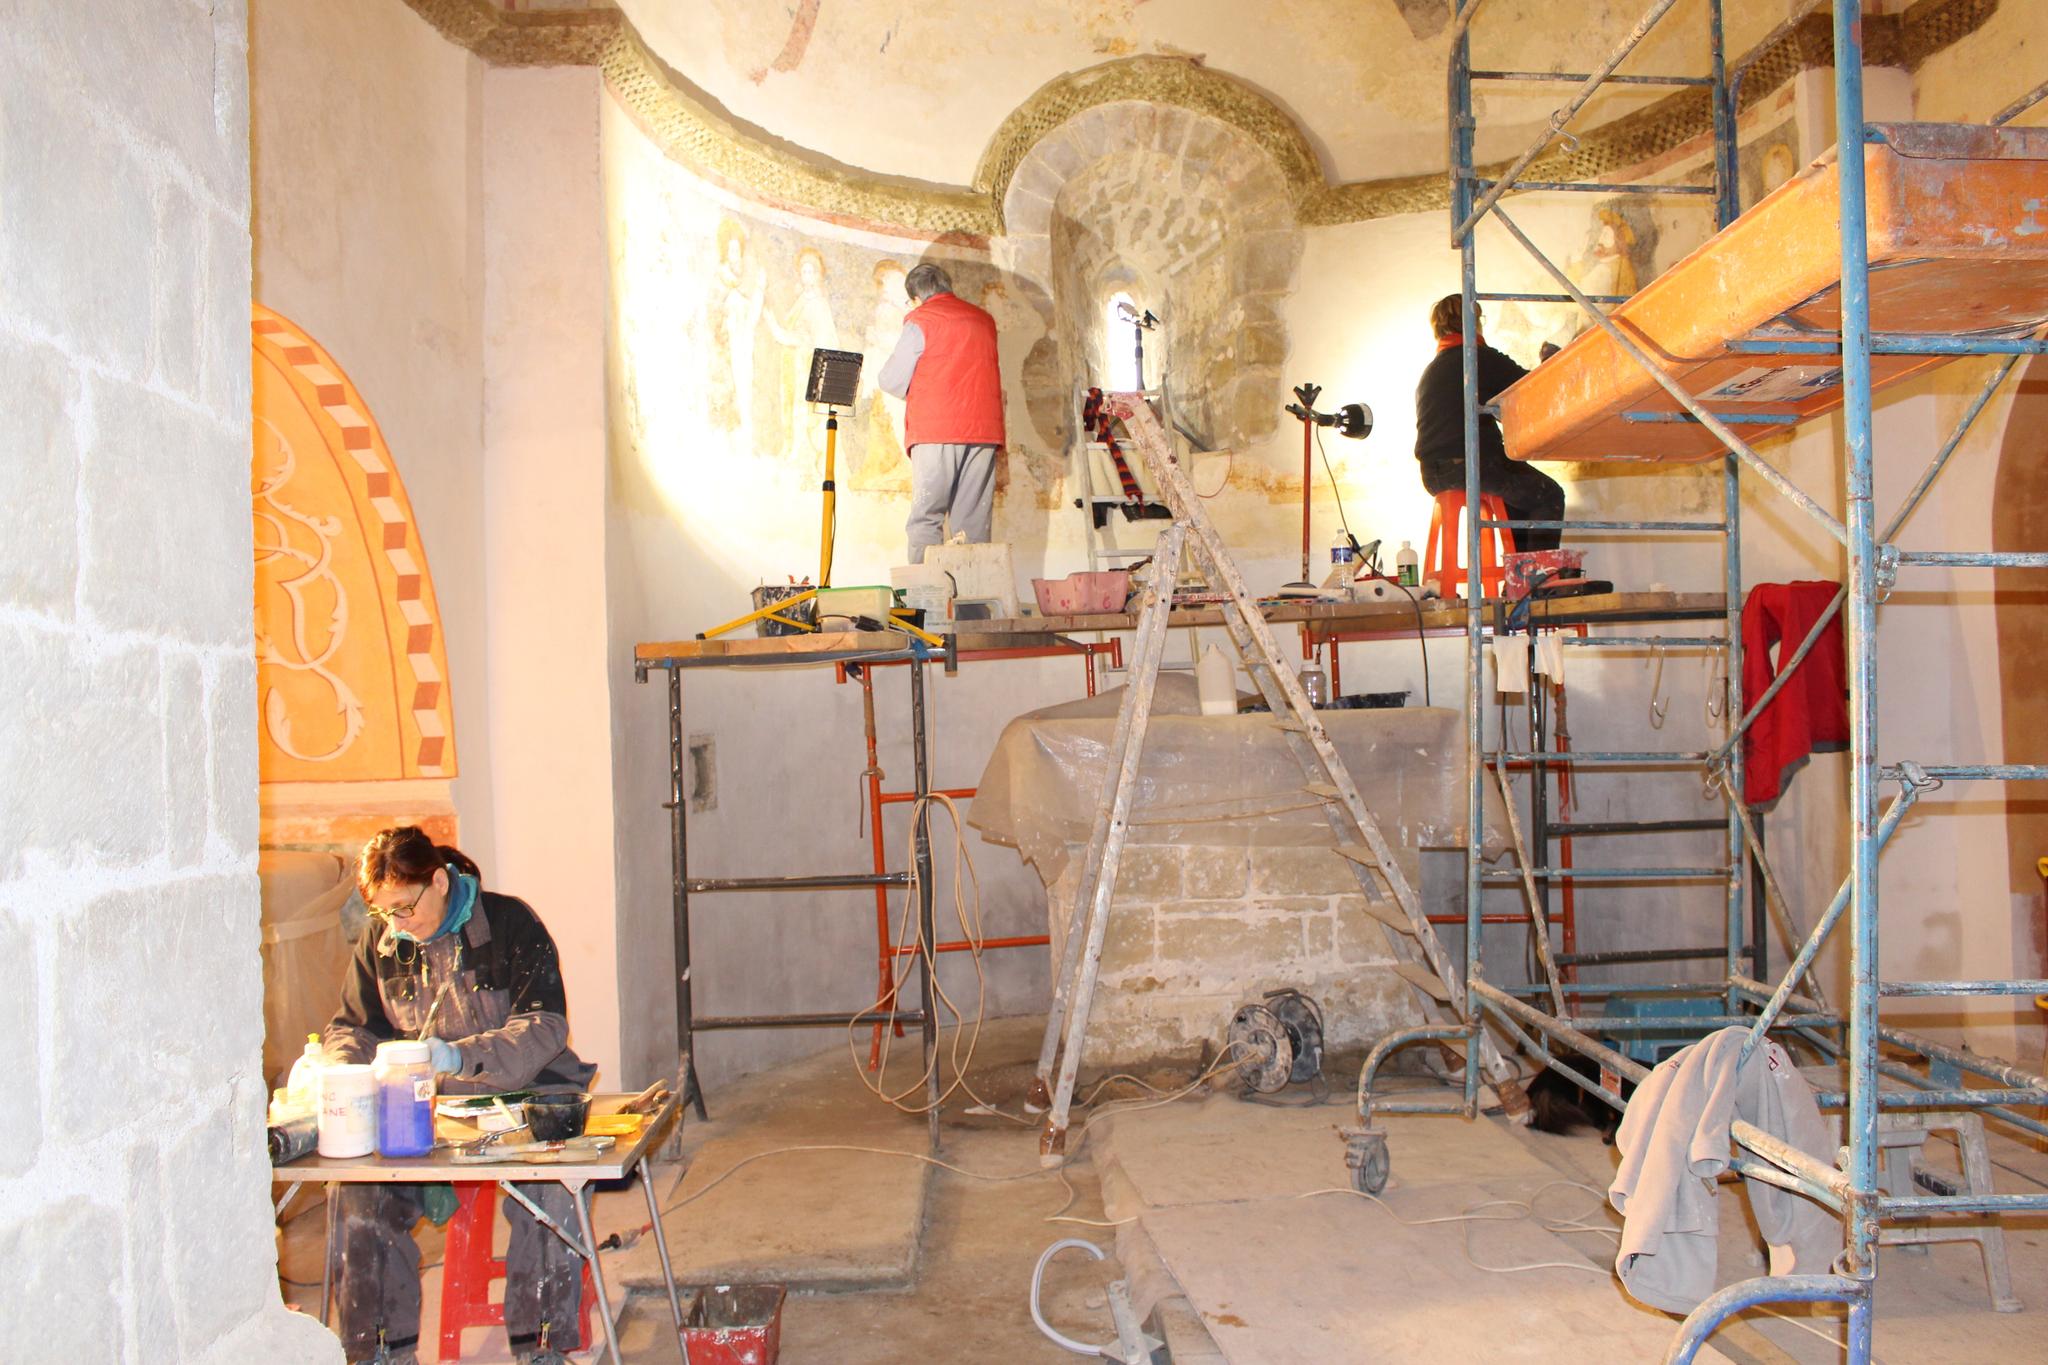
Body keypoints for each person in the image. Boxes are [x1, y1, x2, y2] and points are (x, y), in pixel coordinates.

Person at [324, 827, 596, 1365]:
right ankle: (382, 1353)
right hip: (427, 1107)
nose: (397, 924)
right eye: (384, 914)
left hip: (524, 1096)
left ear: (440, 881)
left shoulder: (509, 923)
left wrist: (457, 1055)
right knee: (359, 1193)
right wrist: (340, 1068)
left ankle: (541, 1349)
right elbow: (351, 1028)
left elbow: (544, 1028)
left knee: (549, 1192)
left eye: (405, 907)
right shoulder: (382, 947)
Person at [1412, 294, 1566, 555]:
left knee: (1518, 498)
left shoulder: (1431, 371)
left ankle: (1521, 575)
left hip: (1433, 473)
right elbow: (1530, 390)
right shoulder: (1476, 358)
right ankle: (1537, 576)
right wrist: (1552, 364)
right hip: (1468, 467)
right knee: (1548, 495)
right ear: (1474, 322)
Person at [875, 262, 1005, 563]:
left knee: (927, 518)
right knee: (973, 525)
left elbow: (891, 379)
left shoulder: (922, 320)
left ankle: (925, 605)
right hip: (984, 431)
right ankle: (972, 607)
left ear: (916, 297)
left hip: (936, 431)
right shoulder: (984, 320)